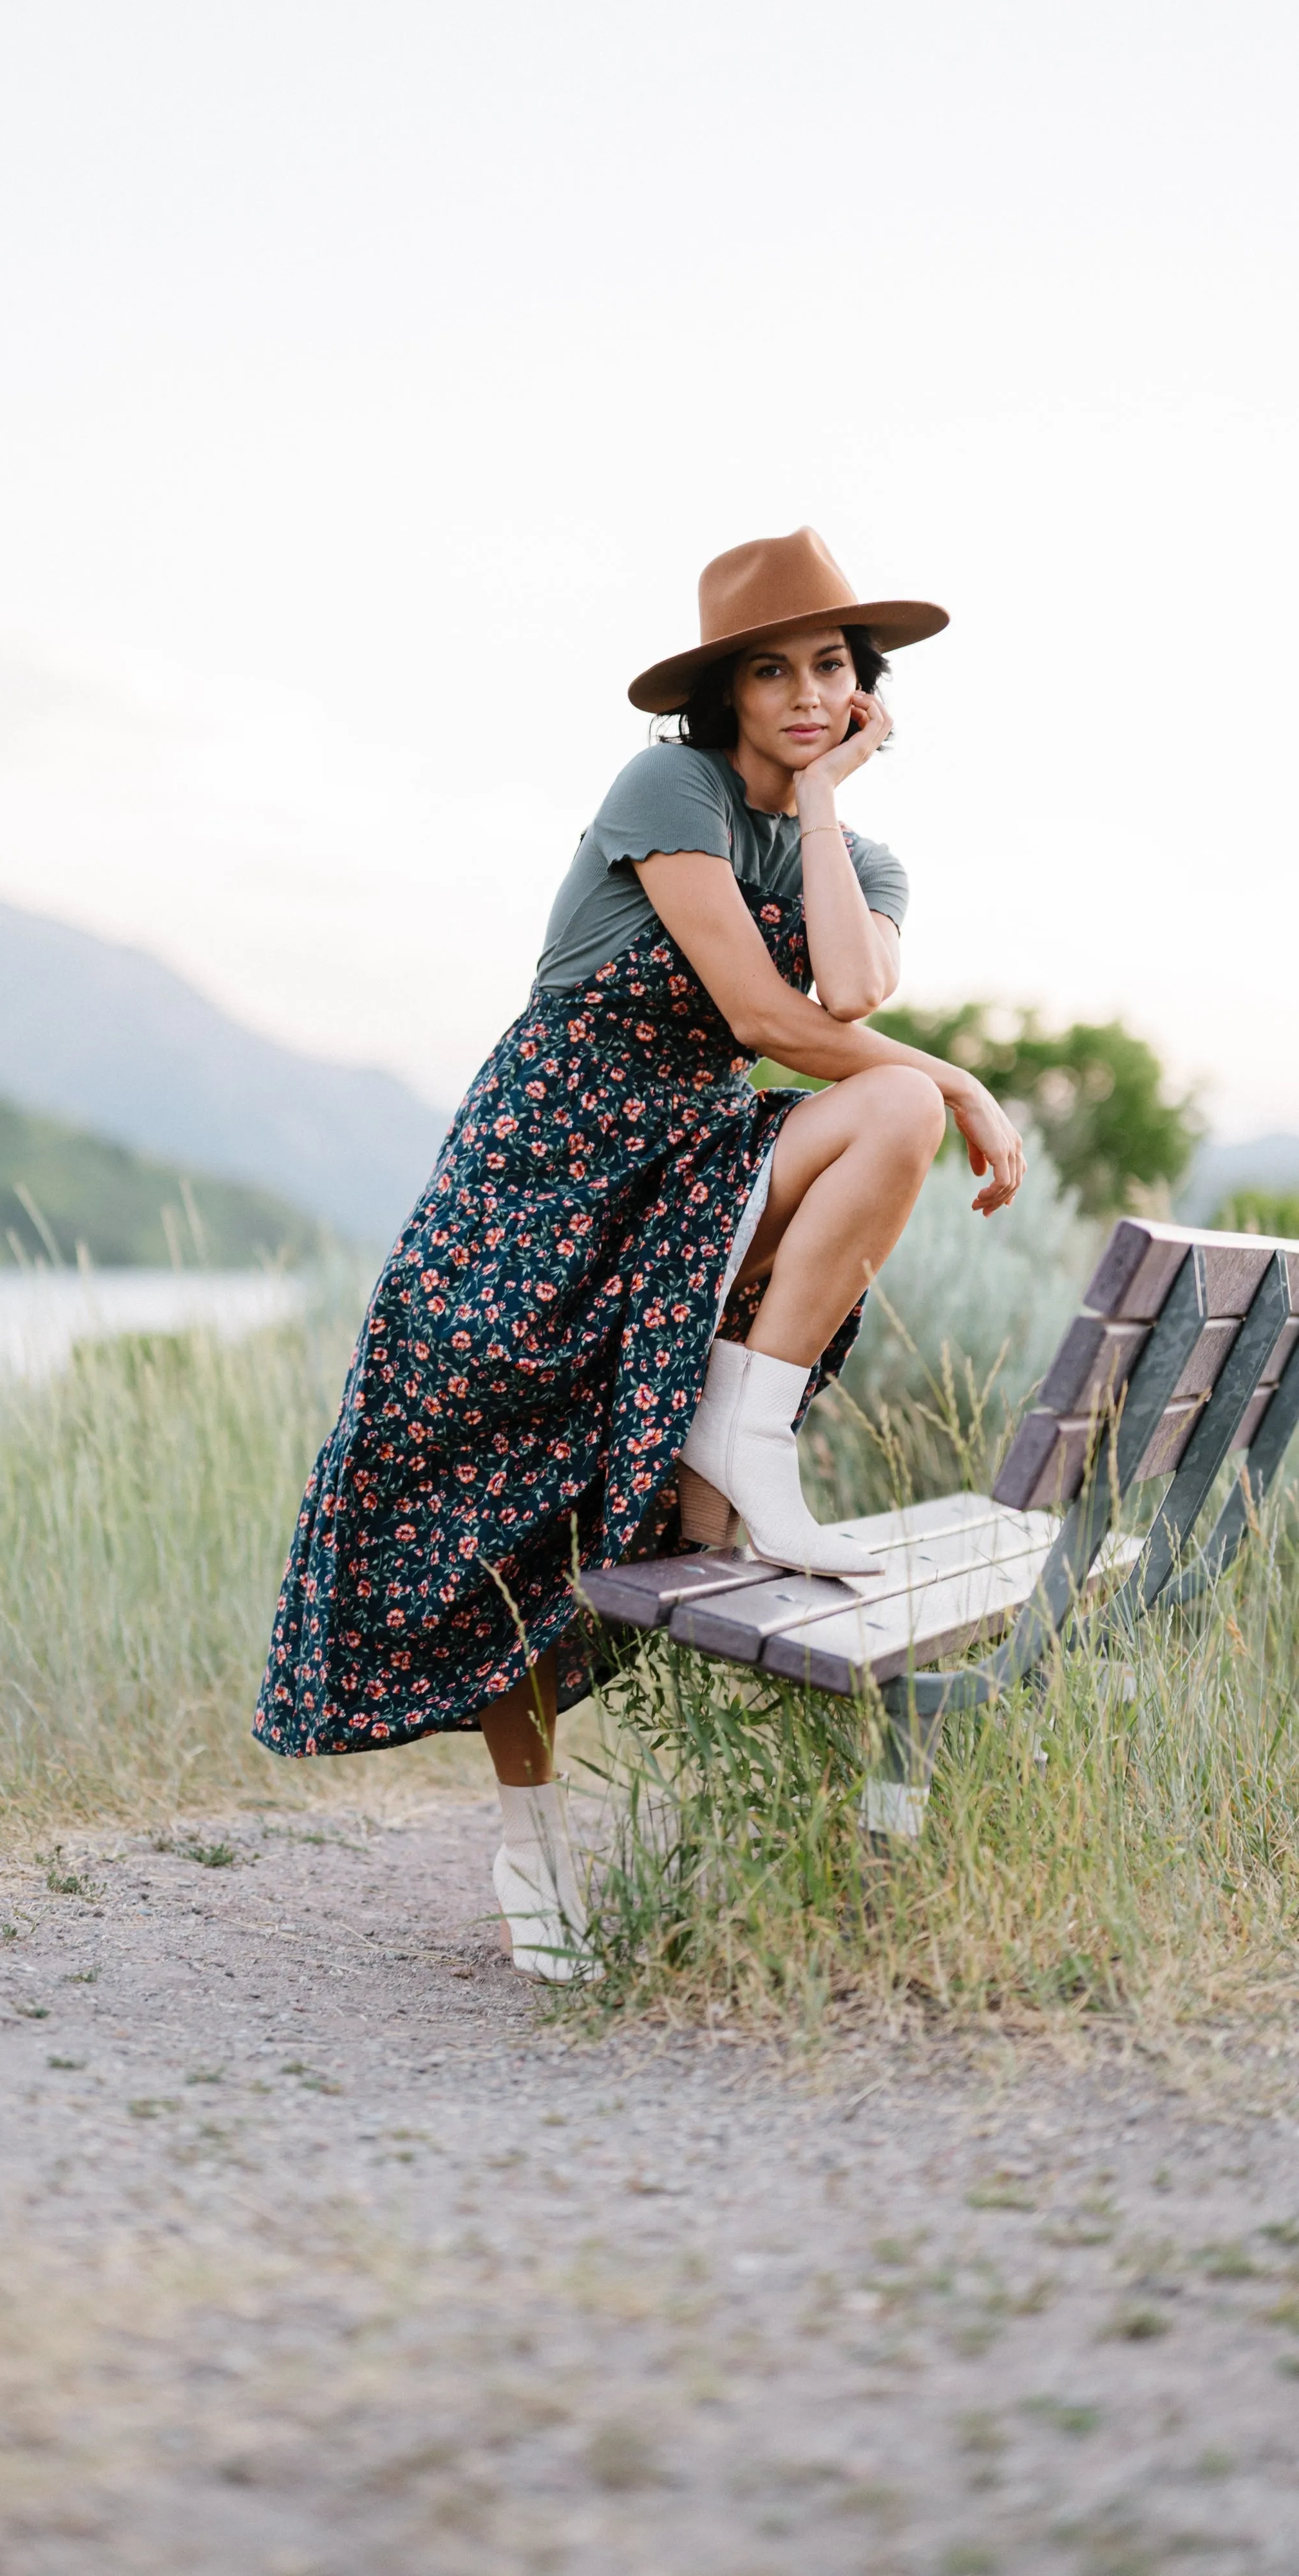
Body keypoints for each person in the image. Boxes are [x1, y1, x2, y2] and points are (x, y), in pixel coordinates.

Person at [254, 528, 1026, 1978]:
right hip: (544, 1178)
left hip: (690, 1161)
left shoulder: (859, 854)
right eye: (771, 670)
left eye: (830, 669)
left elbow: (852, 988)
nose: (805, 692)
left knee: (894, 1104)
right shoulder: (661, 787)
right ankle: (531, 1839)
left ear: (864, 695)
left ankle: (745, 1433)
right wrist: (974, 1080)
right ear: (721, 692)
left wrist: (816, 803)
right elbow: (763, 1015)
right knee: (503, 1526)